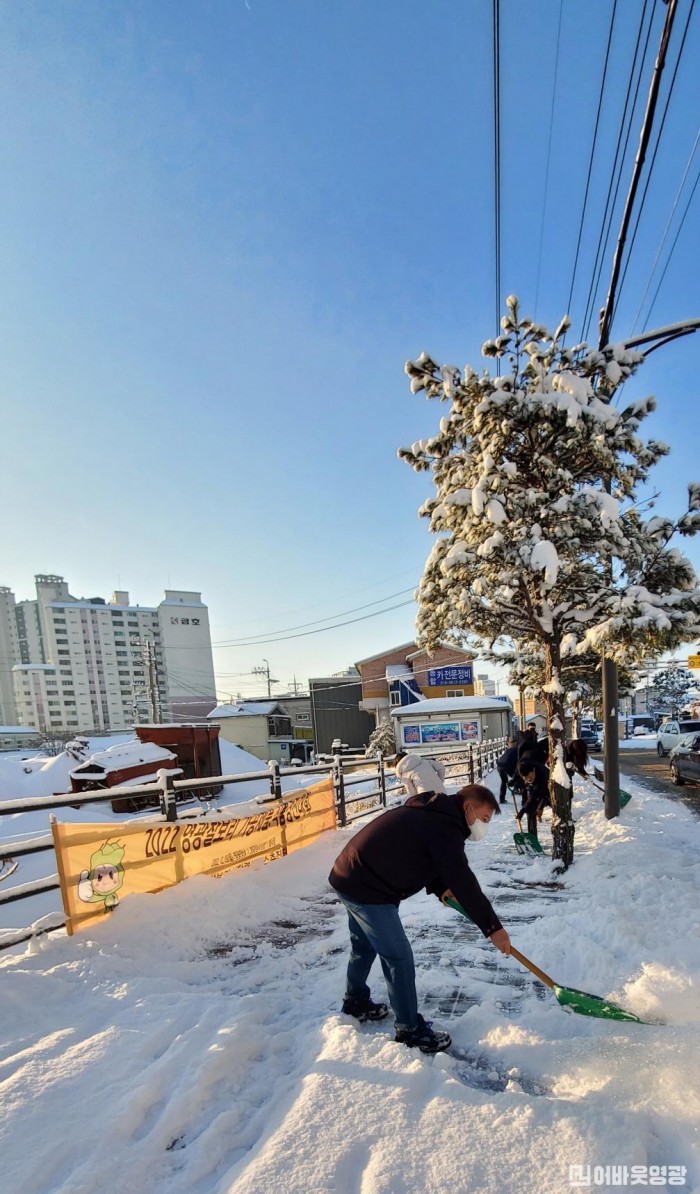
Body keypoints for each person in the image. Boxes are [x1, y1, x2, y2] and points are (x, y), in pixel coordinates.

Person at [328, 784, 511, 1054]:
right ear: (467, 807)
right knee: (398, 957)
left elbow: (428, 857)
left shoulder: (437, 814)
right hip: (367, 887)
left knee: (364, 945)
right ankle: (409, 1030)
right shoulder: (443, 826)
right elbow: (463, 880)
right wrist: (494, 928)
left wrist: (440, 888)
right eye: (483, 819)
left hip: (351, 873)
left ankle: (355, 1001)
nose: (484, 826)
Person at [516, 757, 550, 838]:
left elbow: (534, 796)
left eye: (530, 778)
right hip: (535, 789)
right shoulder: (520, 771)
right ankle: (532, 837)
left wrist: (523, 810)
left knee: (549, 801)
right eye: (526, 778)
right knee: (530, 810)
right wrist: (524, 805)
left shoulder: (542, 774)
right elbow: (524, 789)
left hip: (547, 788)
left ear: (533, 770)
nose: (529, 780)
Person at [496, 738, 519, 804]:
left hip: (500, 765)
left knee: (504, 781)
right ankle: (517, 789)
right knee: (517, 777)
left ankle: (502, 799)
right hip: (507, 765)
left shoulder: (509, 750)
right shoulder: (517, 750)